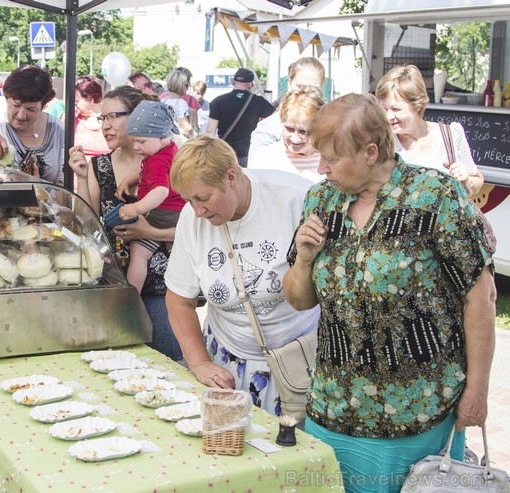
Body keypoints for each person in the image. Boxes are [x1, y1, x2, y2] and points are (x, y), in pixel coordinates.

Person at [282, 93, 495, 493]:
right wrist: (305, 259)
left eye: (331, 158)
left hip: (418, 411)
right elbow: (299, 299)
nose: (321, 168)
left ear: (370, 152)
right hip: (335, 406)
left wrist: (477, 391)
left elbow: (480, 299)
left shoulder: (435, 197)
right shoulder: (320, 199)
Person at [164, 135, 319, 413]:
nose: (197, 211)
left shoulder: (296, 198)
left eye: (203, 198)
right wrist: (199, 364)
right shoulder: (193, 219)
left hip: (297, 360)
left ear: (231, 177)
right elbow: (179, 300)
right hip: (226, 361)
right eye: (188, 200)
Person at [67, 85, 182, 361]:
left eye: (112, 117)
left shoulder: (173, 163)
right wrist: (82, 178)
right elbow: (85, 225)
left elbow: (196, 228)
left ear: (137, 117)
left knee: (170, 375)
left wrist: (150, 232)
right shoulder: (100, 166)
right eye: (101, 118)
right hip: (113, 293)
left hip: (162, 292)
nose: (104, 126)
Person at [376, 64, 485, 198]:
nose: (388, 116)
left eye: (396, 109)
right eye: (384, 109)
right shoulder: (381, 140)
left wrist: (467, 181)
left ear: (418, 105)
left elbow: (478, 180)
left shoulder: (450, 135)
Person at [115, 100, 184, 294]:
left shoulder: (158, 161)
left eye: (141, 141)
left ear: (162, 136)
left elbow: (160, 191)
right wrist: (128, 180)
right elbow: (143, 171)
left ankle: (132, 296)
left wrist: (136, 209)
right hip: (177, 212)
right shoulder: (169, 149)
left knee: (139, 254)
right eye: (134, 140)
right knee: (177, 256)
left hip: (161, 213)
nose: (136, 147)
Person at [248, 86, 325, 182]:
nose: (295, 139)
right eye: (289, 129)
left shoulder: (329, 159)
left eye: (303, 132)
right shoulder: (266, 158)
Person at [249, 57, 325, 151]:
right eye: (300, 87)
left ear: (322, 87)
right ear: (289, 84)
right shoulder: (268, 128)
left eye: (314, 89)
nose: (306, 93)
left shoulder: (332, 126)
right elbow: (258, 162)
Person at [205, 68, 275, 167]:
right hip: (249, 155)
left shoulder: (217, 101)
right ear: (251, 84)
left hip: (226, 154)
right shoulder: (259, 102)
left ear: (233, 82)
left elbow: (209, 133)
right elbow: (274, 117)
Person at [74, 75, 110, 158]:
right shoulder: (73, 119)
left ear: (90, 100)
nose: (74, 105)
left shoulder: (111, 119)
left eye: (77, 101)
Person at [160, 69, 193, 138]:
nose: (188, 87)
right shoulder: (181, 103)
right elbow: (186, 129)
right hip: (177, 141)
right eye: (186, 84)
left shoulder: (163, 101)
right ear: (180, 85)